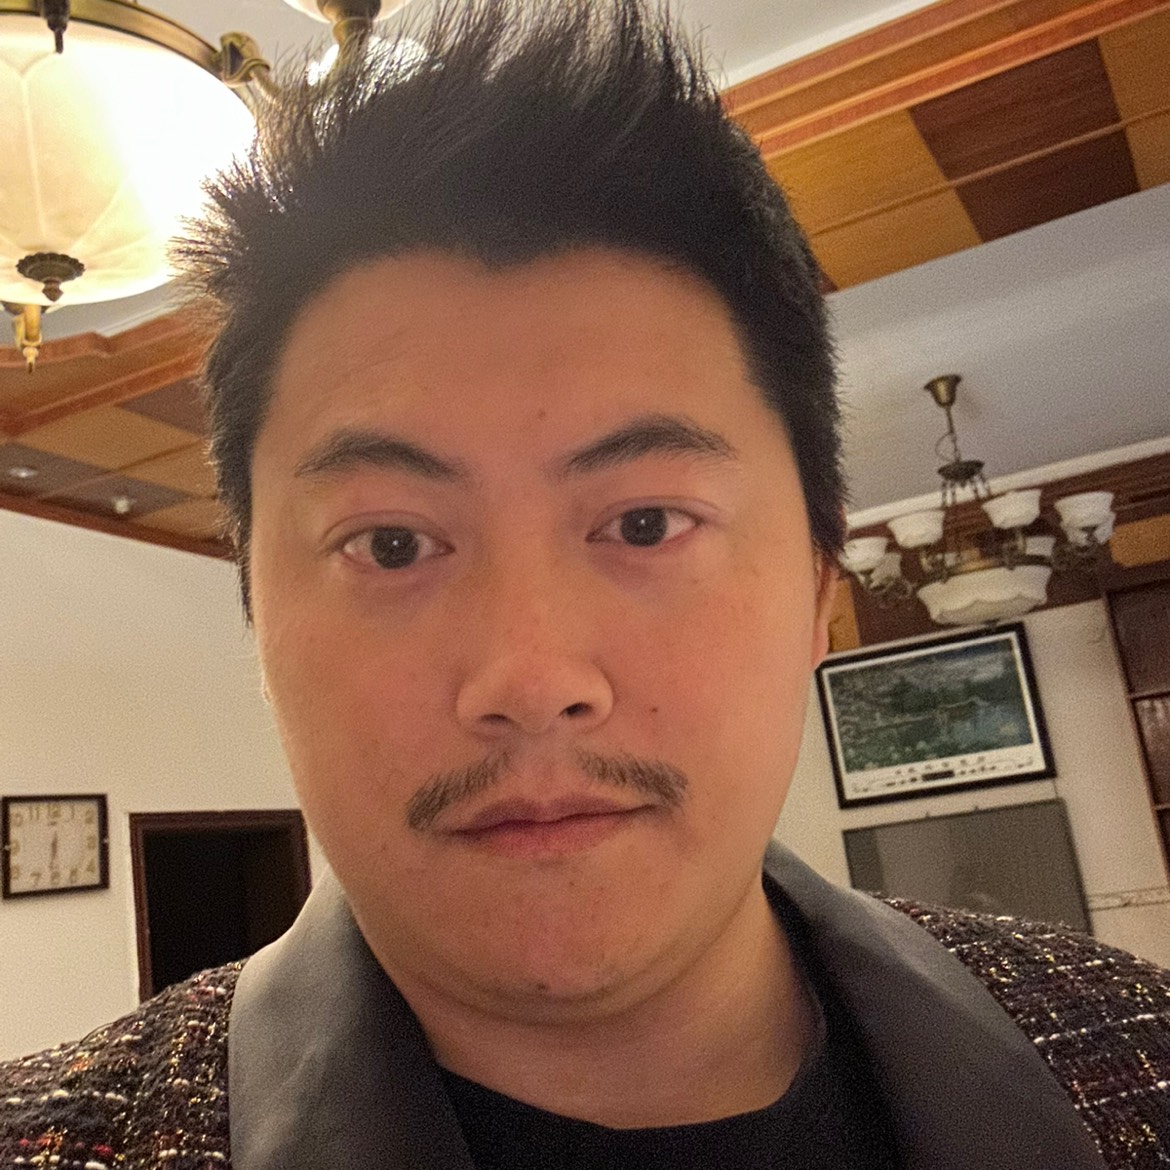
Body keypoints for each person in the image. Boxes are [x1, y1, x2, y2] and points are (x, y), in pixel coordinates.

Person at [2, 2, 1167, 1167]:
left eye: (645, 523)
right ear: (259, 621)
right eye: (392, 544)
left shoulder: (1135, 1044)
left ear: (820, 587)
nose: (531, 676)